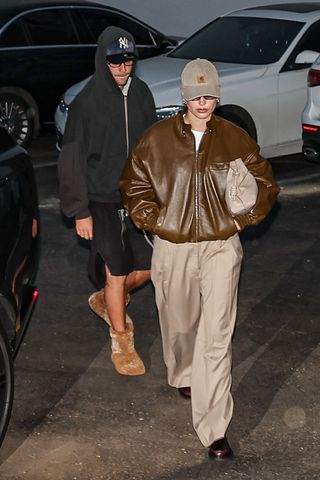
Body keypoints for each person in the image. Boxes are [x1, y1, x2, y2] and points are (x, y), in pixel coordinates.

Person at [120, 59, 279, 458]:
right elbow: (133, 181)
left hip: (221, 246)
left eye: (209, 95)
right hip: (172, 247)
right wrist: (152, 219)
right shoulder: (156, 139)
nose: (203, 102)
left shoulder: (234, 138)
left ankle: (213, 426)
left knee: (217, 333)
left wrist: (243, 217)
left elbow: (265, 183)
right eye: (196, 95)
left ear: (218, 96)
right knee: (178, 321)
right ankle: (183, 372)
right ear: (183, 96)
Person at [58, 26, 157, 377]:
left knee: (148, 268)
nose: (122, 68)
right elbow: (71, 158)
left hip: (136, 199)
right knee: (116, 270)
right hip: (99, 200)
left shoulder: (143, 94)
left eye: (128, 60)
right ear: (103, 60)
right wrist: (79, 210)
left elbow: (151, 149)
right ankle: (122, 340)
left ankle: (104, 299)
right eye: (115, 61)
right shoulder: (87, 102)